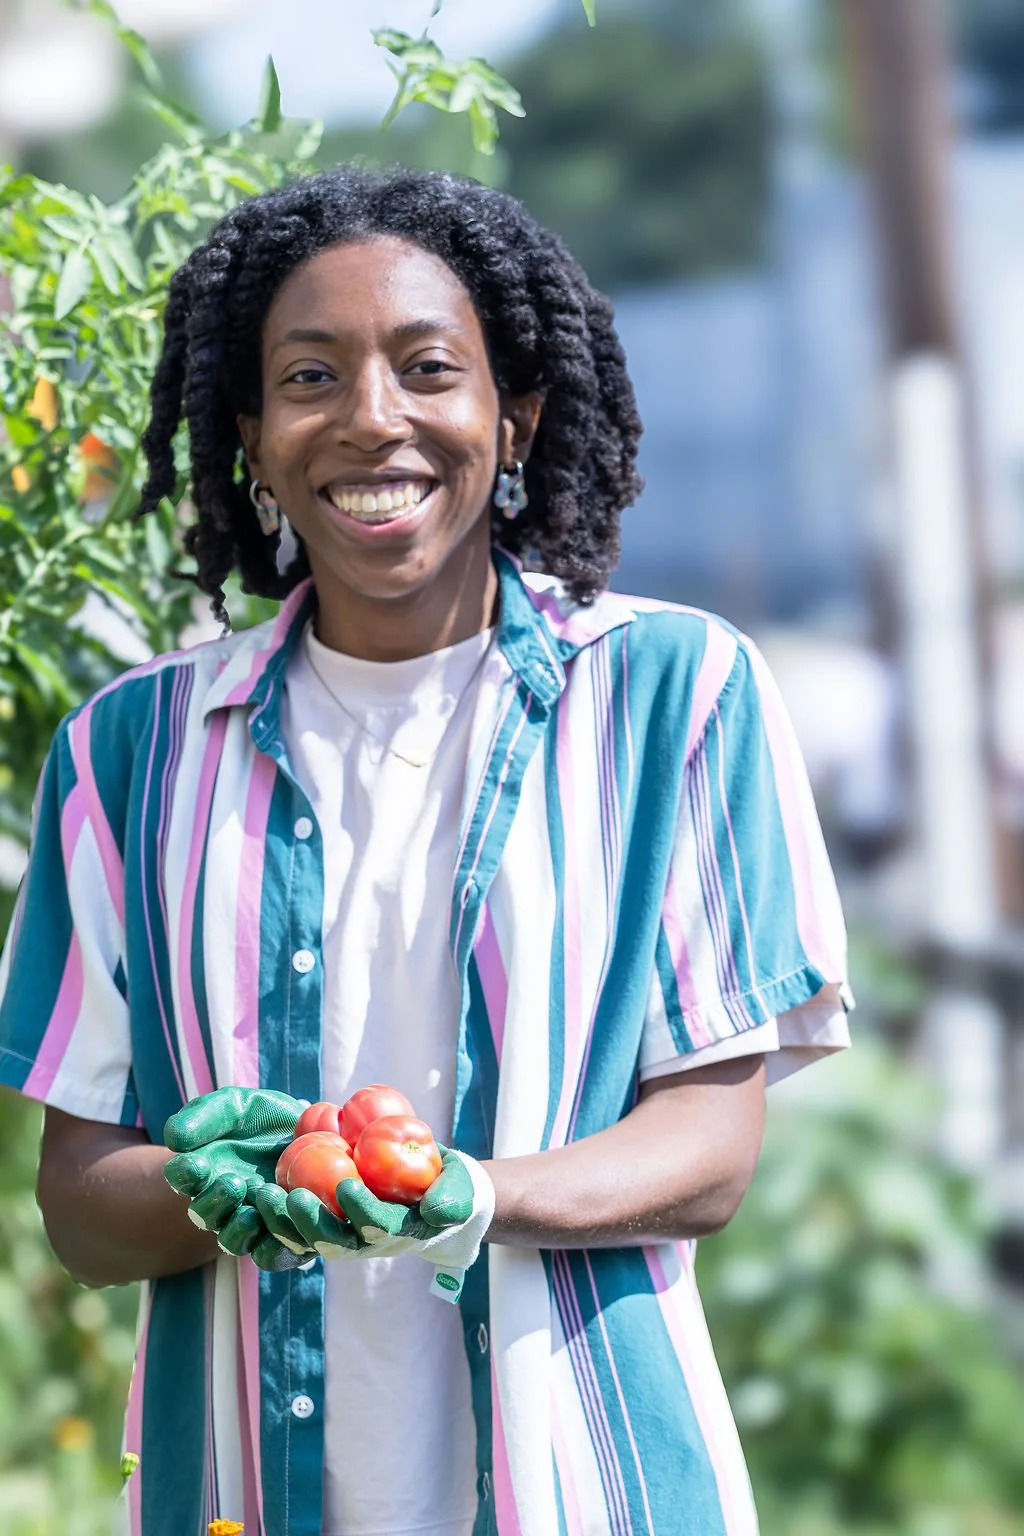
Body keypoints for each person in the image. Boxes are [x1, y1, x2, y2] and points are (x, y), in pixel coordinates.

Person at [0, 166, 852, 1536]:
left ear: (513, 418)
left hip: (585, 1490)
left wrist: (467, 1196)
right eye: (310, 377)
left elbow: (709, 1148)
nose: (372, 419)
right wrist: (245, 1192)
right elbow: (82, 1205)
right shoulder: (130, 754)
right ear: (253, 437)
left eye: (428, 368)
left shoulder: (677, 696)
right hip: (241, 1496)